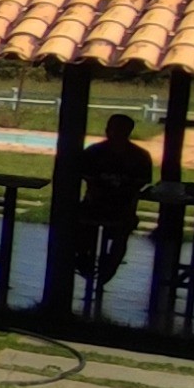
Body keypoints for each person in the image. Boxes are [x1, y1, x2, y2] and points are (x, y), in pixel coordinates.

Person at [72, 113, 156, 316]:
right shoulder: (94, 153)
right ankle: (87, 266)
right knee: (82, 236)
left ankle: (105, 271)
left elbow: (137, 188)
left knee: (119, 237)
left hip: (122, 208)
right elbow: (89, 182)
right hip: (95, 206)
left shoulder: (139, 157)